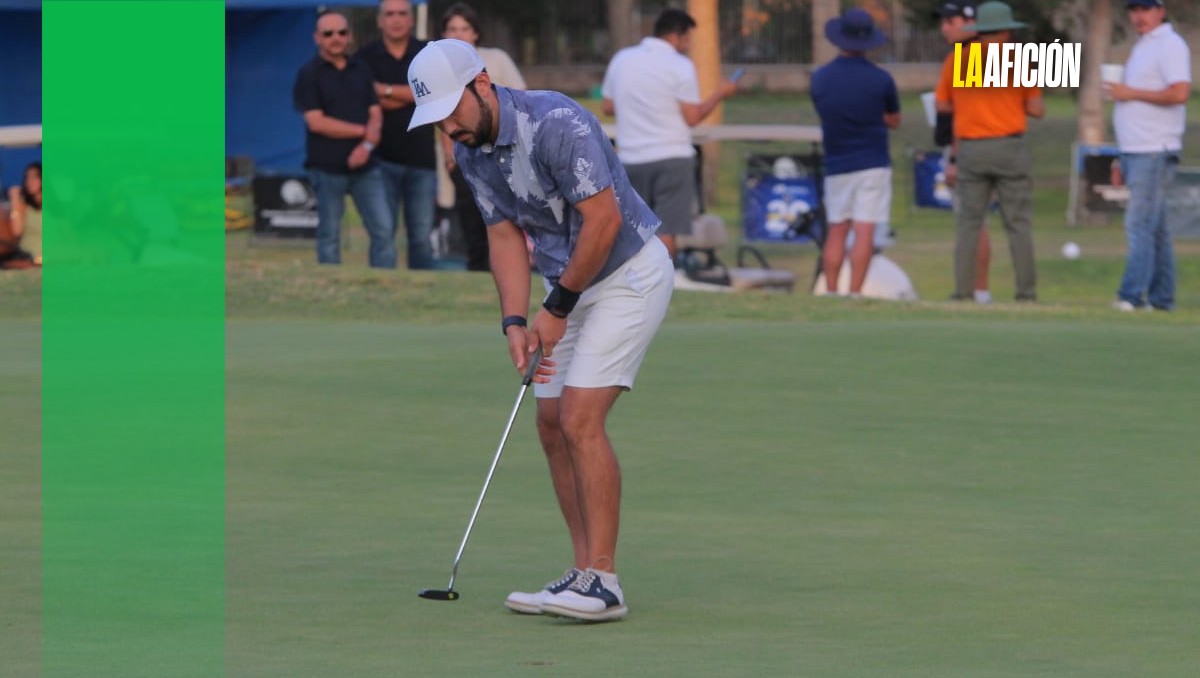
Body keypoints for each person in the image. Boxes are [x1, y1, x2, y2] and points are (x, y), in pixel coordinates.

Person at [407, 39, 674, 622]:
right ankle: (581, 574)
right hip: (567, 290)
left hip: (628, 276)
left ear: (482, 84)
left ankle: (604, 581)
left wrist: (556, 308)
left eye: (453, 111)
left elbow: (601, 222)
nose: (449, 128)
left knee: (579, 417)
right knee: (550, 423)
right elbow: (505, 237)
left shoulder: (556, 121)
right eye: (437, 120)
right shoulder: (470, 152)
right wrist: (513, 321)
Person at [601, 8, 738, 262]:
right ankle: (663, 287)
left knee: (634, 229)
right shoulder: (680, 65)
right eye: (688, 39)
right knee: (666, 230)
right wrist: (721, 93)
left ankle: (633, 287)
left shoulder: (622, 59)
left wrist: (639, 103)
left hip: (631, 156)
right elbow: (693, 117)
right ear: (676, 36)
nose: (688, 46)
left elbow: (608, 107)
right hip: (672, 156)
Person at [935, 0, 1043, 302]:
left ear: (979, 30)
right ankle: (1026, 292)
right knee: (1018, 224)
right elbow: (1036, 108)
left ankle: (964, 292)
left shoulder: (958, 60)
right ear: (1007, 31)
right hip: (1010, 146)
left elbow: (942, 104)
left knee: (969, 223)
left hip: (971, 148)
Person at [293, 10, 396, 269]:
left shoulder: (361, 69)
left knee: (384, 230)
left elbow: (375, 112)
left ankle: (386, 285)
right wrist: (362, 133)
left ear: (349, 36)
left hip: (367, 167)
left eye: (341, 32)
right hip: (326, 169)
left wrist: (367, 146)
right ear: (317, 38)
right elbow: (316, 122)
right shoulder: (309, 74)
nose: (335, 38)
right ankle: (330, 289)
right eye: (328, 33)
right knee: (329, 234)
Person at [1105, 0, 1190, 312]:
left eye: (1145, 9)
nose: (1138, 16)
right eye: (1134, 10)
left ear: (1160, 10)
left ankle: (1131, 295)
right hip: (1135, 149)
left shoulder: (1169, 44)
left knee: (1138, 224)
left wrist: (1131, 93)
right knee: (1156, 229)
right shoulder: (1142, 46)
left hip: (1154, 149)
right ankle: (1162, 299)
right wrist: (1120, 154)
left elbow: (1180, 92)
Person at [810, 8, 900, 297]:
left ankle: (832, 291)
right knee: (864, 229)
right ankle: (856, 292)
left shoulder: (821, 78)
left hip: (837, 161)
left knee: (837, 228)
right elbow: (893, 119)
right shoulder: (881, 79)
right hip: (873, 160)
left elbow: (825, 111)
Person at [439, 1, 527, 271]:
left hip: (501, 152)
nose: (458, 34)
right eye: (452, 29)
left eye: (464, 28)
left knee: (504, 217)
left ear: (475, 32)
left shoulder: (496, 59)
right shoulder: (439, 66)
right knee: (471, 218)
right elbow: (441, 112)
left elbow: (519, 97)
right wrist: (449, 152)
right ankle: (477, 271)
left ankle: (509, 269)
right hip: (463, 153)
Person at [355, 0, 438, 270]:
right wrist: (414, 95)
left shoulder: (427, 53)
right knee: (383, 237)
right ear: (380, 21)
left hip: (422, 161)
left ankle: (422, 295)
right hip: (380, 161)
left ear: (411, 19)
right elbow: (366, 99)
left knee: (422, 238)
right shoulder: (364, 57)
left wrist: (386, 91)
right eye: (389, 14)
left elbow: (433, 95)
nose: (396, 19)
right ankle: (381, 290)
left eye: (402, 13)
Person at [933, 1, 992, 304]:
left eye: (950, 21)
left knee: (973, 222)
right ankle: (977, 290)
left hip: (969, 149)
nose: (945, 28)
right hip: (993, 146)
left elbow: (962, 116)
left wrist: (954, 158)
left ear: (969, 21)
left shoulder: (966, 58)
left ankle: (975, 291)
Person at [8, 162, 42, 266]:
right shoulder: (23, 204)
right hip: (31, 253)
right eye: (27, 177)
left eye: (34, 177)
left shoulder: (54, 205)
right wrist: (14, 201)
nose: (29, 181)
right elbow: (17, 231)